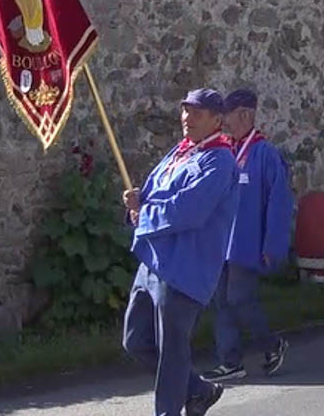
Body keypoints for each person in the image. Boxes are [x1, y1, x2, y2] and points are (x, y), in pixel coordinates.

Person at [122, 89, 238, 416]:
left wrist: (144, 214)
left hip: (185, 268)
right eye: (185, 110)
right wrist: (137, 202)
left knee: (172, 352)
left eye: (197, 113)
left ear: (217, 120)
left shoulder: (219, 160)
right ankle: (198, 390)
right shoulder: (182, 150)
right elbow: (155, 192)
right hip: (153, 262)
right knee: (135, 341)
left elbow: (188, 210)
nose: (187, 118)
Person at [204, 88, 293, 382]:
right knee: (221, 301)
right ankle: (230, 362)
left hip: (247, 243)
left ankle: (272, 344)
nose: (223, 121)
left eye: (226, 115)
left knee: (239, 298)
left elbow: (279, 203)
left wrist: (273, 245)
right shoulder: (224, 150)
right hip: (220, 243)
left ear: (244, 114)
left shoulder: (265, 154)